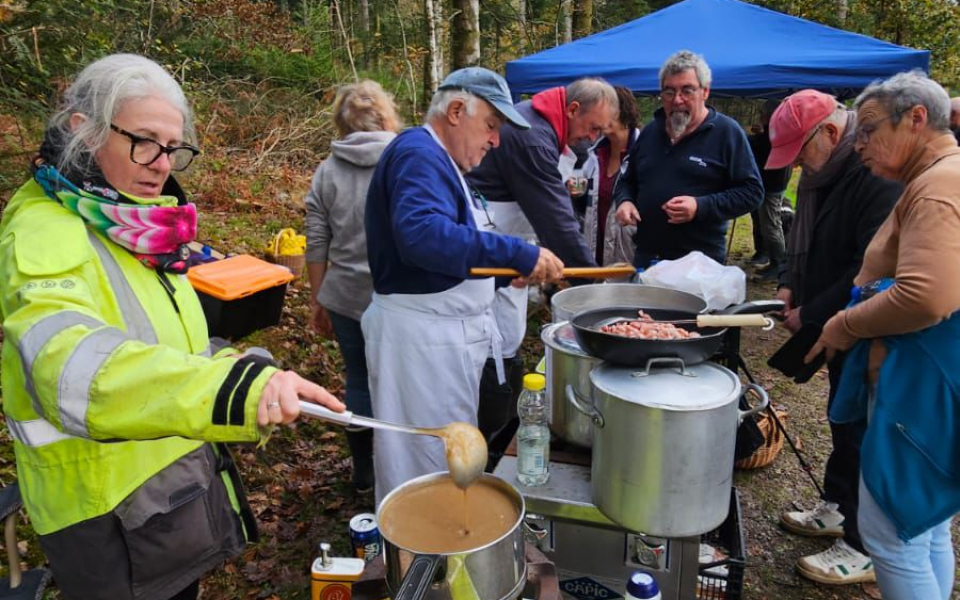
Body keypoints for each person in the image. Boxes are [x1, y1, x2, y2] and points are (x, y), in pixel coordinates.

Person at [0, 54, 345, 600]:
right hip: (105, 515)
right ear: (83, 131)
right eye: (143, 141)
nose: (162, 164)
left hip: (166, 495)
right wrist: (227, 391)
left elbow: (172, 342)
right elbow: (66, 370)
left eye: (173, 148)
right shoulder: (47, 232)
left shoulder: (134, 223)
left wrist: (241, 369)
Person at [363, 67, 565, 503]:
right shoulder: (419, 154)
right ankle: (419, 556)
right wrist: (516, 252)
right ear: (457, 110)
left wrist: (495, 275)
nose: (496, 141)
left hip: (441, 340)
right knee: (423, 459)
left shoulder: (442, 163)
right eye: (491, 126)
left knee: (444, 453)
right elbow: (421, 236)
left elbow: (447, 256)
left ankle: (439, 546)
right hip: (420, 344)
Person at [806, 70, 960, 600]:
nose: (860, 142)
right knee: (923, 523)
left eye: (869, 129)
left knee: (890, 534)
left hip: (921, 382)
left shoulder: (939, 185)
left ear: (917, 119)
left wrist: (845, 322)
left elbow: (927, 296)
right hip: (926, 377)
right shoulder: (937, 175)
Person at [764, 89, 901, 586]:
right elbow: (804, 232)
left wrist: (815, 312)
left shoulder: (873, 173)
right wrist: (786, 282)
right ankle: (840, 509)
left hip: (868, 322)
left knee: (865, 426)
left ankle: (864, 547)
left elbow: (868, 265)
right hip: (835, 316)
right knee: (842, 417)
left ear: (828, 132)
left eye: (801, 152)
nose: (798, 167)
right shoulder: (827, 173)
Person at [465, 76, 615, 462]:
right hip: (490, 241)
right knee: (492, 343)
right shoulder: (532, 135)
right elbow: (557, 221)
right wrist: (597, 289)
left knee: (506, 337)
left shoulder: (545, 125)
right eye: (592, 128)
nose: (593, 138)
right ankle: (488, 437)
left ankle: (496, 423)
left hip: (509, 241)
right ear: (572, 110)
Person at [305, 80, 402, 494]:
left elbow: (316, 239)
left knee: (358, 379)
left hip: (345, 297)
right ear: (386, 116)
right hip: (399, 297)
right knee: (400, 382)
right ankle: (399, 472)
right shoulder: (406, 160)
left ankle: (363, 473)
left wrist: (318, 298)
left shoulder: (328, 169)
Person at [613, 50, 763, 268]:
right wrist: (625, 201)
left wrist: (700, 206)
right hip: (647, 257)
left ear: (705, 92)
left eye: (687, 90)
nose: (677, 100)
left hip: (699, 265)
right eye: (669, 91)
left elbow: (752, 192)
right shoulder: (650, 132)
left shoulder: (726, 132)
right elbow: (627, 180)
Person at [581, 85, 641, 266]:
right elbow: (583, 203)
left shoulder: (644, 153)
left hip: (628, 255)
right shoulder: (594, 154)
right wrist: (576, 192)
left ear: (622, 113)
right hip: (594, 252)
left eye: (604, 111)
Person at [748, 99, 792, 281]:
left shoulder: (776, 134)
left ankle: (779, 265)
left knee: (771, 226)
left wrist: (750, 138)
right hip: (772, 183)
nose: (761, 116)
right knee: (768, 225)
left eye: (763, 114)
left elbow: (763, 144)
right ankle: (773, 262)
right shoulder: (779, 130)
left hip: (772, 185)